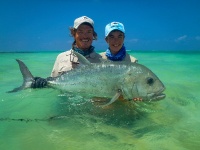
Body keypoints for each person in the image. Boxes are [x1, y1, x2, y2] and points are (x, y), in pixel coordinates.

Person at [31, 16, 102, 88]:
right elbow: (53, 82)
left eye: (89, 32)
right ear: (74, 34)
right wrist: (42, 83)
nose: (85, 36)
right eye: (80, 32)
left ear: (93, 35)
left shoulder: (102, 61)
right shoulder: (61, 57)